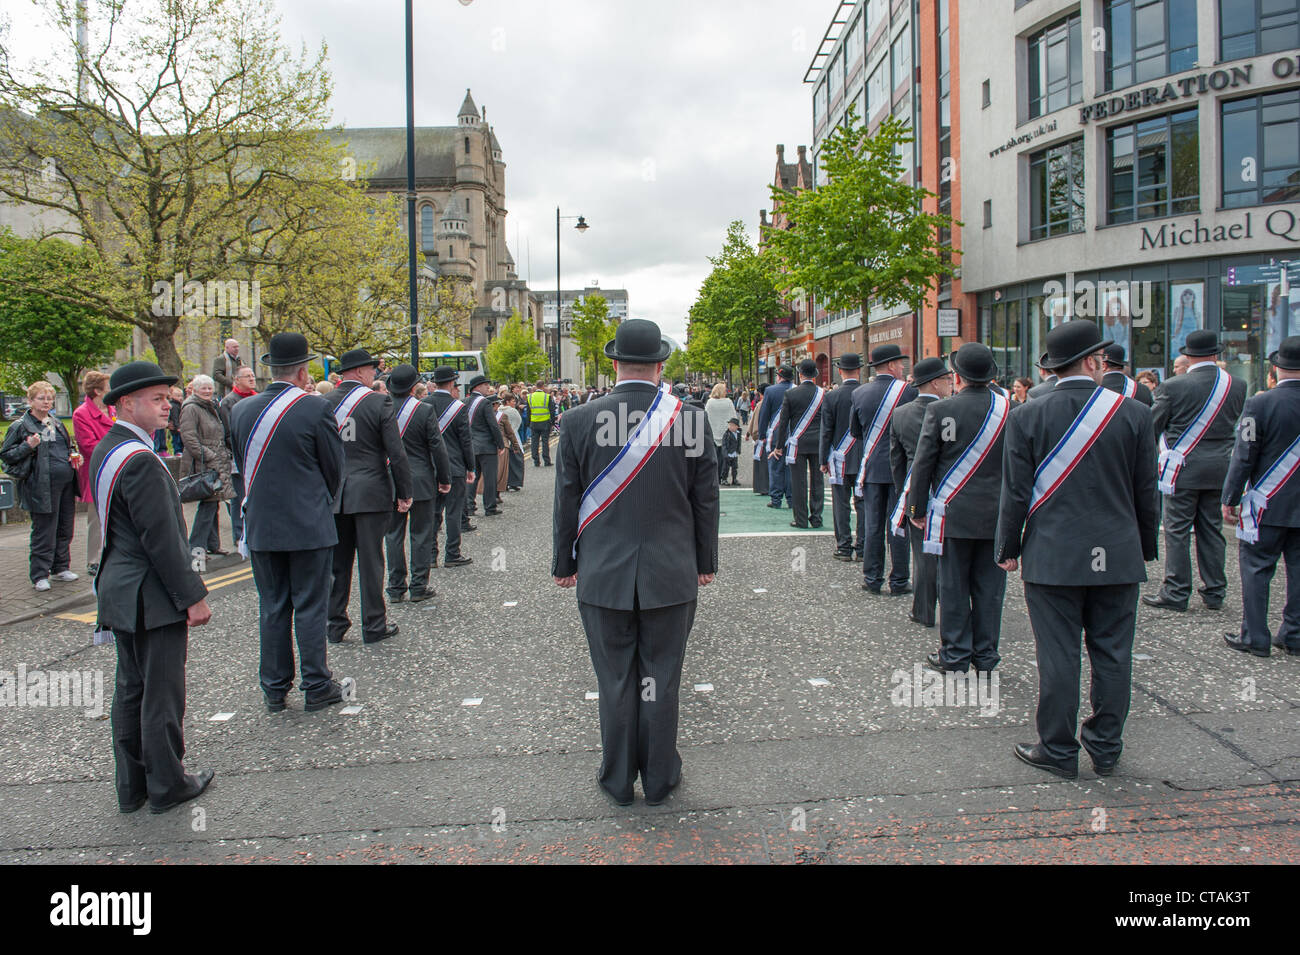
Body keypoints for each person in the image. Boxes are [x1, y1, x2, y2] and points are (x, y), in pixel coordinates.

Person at [552, 319, 719, 806]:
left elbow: (566, 500)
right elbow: (705, 498)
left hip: (603, 573)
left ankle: (619, 779)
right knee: (661, 677)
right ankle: (661, 778)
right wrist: (704, 560)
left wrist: (564, 563)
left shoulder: (581, 420)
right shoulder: (688, 418)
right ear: (661, 365)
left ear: (613, 363)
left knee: (616, 678)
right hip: (671, 571)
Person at [995, 320, 1158, 779]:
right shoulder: (1134, 414)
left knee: (1058, 654)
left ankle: (1058, 750)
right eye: (1101, 357)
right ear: (1092, 362)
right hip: (1118, 552)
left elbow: (1015, 492)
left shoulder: (1025, 414)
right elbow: (1147, 491)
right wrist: (1145, 545)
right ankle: (1106, 747)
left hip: (1053, 554)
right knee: (1112, 652)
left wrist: (1008, 547)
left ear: (1055, 366)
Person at [90, 361, 213, 813]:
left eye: (168, 398)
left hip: (121, 587)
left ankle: (133, 785)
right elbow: (162, 539)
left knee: (132, 688)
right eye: (158, 399)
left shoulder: (109, 448)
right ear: (126, 403)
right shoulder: (140, 460)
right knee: (161, 691)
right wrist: (193, 596)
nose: (168, 406)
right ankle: (167, 784)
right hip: (150, 593)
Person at [229, 334, 350, 712]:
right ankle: (316, 684)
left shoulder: (240, 411)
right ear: (302, 371)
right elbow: (334, 469)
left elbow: (240, 468)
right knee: (311, 604)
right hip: (308, 521)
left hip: (261, 522)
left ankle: (274, 688)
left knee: (273, 605)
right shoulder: (314, 408)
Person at [907, 344, 1009, 673]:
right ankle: (985, 654)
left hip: (953, 513)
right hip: (996, 515)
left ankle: (954, 653)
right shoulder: (1010, 410)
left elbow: (924, 465)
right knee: (990, 590)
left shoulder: (942, 411)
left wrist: (916, 508)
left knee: (952, 585)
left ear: (957, 376)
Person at [1145, 330, 1247, 612]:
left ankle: (1176, 591)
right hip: (1219, 468)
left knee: (1177, 529)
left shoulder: (1173, 386)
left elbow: (1153, 426)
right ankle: (1215, 590)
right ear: (1216, 354)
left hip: (1183, 467)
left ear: (1188, 356)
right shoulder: (1237, 385)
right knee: (1211, 529)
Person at [323, 348, 414, 644]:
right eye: (372, 369)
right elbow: (396, 452)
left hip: (335, 493)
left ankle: (335, 625)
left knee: (338, 564)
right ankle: (374, 625)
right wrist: (404, 492)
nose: (375, 373)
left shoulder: (324, 402)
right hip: (371, 491)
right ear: (361, 371)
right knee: (372, 561)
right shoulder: (377, 401)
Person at [1220, 336, 1300, 658]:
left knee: (1256, 568)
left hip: (1267, 504)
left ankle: (1255, 637)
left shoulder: (1260, 404)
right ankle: (1293, 635)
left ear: (1275, 368)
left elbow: (1244, 455)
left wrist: (1231, 496)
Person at [888, 356, 951, 627]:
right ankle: (953, 611)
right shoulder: (952, 411)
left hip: (916, 492)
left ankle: (923, 611)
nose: (950, 384)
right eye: (947, 380)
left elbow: (896, 461)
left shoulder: (900, 414)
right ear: (935, 384)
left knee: (922, 554)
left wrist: (907, 492)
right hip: (951, 490)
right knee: (952, 556)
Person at [1, 381, 80, 591]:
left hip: (65, 484)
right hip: (40, 486)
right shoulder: (20, 426)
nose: (46, 402)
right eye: (41, 398)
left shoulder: (56, 422)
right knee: (44, 531)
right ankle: (39, 574)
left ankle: (61, 566)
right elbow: (7, 456)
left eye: (49, 398)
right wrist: (27, 446)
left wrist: (73, 456)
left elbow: (65, 447)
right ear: (31, 400)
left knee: (65, 527)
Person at [383, 363, 451, 605]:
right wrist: (444, 479)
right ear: (414, 387)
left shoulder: (382, 408)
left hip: (390, 479)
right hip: (420, 479)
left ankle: (394, 586)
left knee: (393, 535)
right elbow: (437, 447)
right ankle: (419, 585)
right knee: (421, 533)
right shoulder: (423, 410)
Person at [851, 344, 916, 595]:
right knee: (898, 524)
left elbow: (856, 432)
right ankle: (899, 580)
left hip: (871, 468)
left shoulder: (859, 393)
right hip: (899, 470)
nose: (902, 368)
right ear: (891, 365)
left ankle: (872, 577)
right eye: (900, 364)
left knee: (872, 524)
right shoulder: (908, 392)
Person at [425, 366, 477, 567]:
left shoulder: (423, 404)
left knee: (433, 513)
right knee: (453, 512)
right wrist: (470, 467)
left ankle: (430, 556)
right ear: (451, 383)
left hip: (431, 467)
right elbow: (466, 441)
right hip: (454, 466)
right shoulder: (458, 407)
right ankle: (452, 553)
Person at [179, 374, 234, 557]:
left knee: (213, 501)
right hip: (203, 463)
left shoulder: (211, 406)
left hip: (215, 460)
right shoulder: (191, 408)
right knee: (209, 504)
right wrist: (208, 455)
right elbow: (189, 437)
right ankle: (196, 548)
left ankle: (211, 544)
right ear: (194, 389)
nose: (208, 391)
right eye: (203, 388)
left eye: (210, 387)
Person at [821, 353, 865, 561]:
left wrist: (822, 460)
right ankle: (863, 546)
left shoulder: (831, 396)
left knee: (841, 503)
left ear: (839, 371)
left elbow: (826, 431)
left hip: (840, 458)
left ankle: (844, 546)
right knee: (863, 503)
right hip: (865, 457)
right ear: (859, 370)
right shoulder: (867, 393)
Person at [773, 358, 825, 529]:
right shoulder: (823, 394)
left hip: (797, 443)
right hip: (818, 443)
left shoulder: (790, 394)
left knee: (799, 482)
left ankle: (801, 520)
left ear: (800, 374)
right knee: (817, 482)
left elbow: (783, 423)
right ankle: (816, 518)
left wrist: (779, 446)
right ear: (815, 375)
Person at [72, 370, 115, 576]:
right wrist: (117, 449)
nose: (111, 391)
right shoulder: (82, 414)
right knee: (97, 519)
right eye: (108, 387)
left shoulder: (113, 410)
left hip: (117, 467)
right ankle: (94, 560)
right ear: (97, 391)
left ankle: (114, 555)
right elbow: (88, 446)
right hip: (97, 470)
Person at [219, 365, 259, 553]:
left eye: (253, 375)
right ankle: (238, 534)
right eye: (247, 376)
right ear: (236, 380)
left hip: (257, 454)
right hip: (238, 456)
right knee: (239, 497)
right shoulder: (229, 402)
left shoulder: (257, 397)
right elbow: (228, 432)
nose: (252, 378)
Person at [466, 374, 505, 518]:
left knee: (473, 477)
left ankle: (470, 505)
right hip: (487, 446)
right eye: (484, 385)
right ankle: (490, 507)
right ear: (477, 387)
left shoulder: (465, 401)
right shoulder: (485, 403)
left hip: (471, 445)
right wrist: (500, 444)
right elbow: (493, 425)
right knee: (489, 477)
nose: (487, 387)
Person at [759, 366, 795, 510]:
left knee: (775, 468)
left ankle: (776, 499)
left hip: (775, 434)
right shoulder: (796, 389)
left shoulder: (770, 391)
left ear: (778, 377)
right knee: (791, 468)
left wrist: (761, 435)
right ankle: (792, 499)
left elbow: (764, 415)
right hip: (793, 435)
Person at [705, 383, 734, 483]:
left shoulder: (710, 402)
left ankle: (715, 475)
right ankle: (723, 476)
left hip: (712, 432)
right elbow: (733, 417)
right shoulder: (729, 402)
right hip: (726, 433)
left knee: (714, 456)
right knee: (724, 456)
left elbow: (706, 417)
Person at [746, 384, 769, 497]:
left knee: (761, 464)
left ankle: (762, 487)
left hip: (762, 437)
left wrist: (751, 434)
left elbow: (754, 422)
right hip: (772, 437)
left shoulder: (761, 404)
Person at [527, 382, 555, 468]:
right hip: (545, 422)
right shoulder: (547, 396)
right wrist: (553, 422)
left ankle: (536, 461)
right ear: (543, 386)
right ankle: (546, 461)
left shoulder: (530, 397)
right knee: (545, 442)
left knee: (534, 442)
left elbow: (528, 411)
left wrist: (528, 423)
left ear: (536, 386)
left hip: (534, 422)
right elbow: (552, 410)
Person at [501, 394, 526, 490]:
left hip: (503, 440)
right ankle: (514, 483)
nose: (514, 403)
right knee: (516, 461)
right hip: (512, 438)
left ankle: (505, 483)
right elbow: (517, 423)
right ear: (507, 402)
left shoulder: (499, 410)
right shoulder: (513, 411)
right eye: (513, 401)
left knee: (506, 463)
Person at [721, 417, 741, 485]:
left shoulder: (738, 433)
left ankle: (734, 479)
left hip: (734, 453)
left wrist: (738, 450)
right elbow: (724, 444)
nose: (730, 427)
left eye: (732, 425)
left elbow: (739, 442)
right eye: (729, 425)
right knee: (726, 467)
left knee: (735, 467)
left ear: (737, 427)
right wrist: (725, 453)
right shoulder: (727, 434)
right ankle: (724, 479)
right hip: (728, 453)